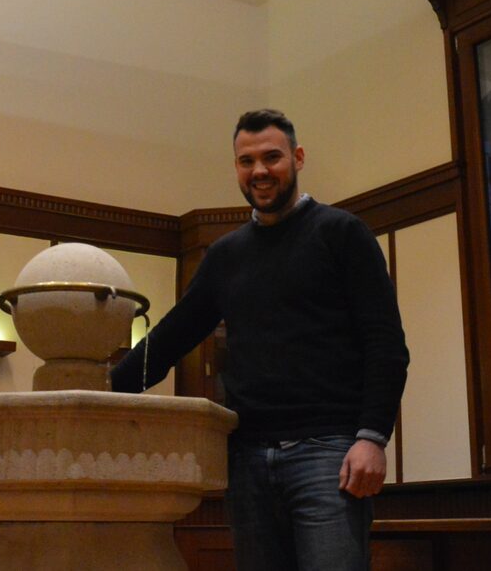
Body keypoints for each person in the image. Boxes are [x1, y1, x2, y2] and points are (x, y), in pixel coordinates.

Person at [111, 109, 408, 571]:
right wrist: (102, 391)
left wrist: (372, 437)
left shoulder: (341, 233)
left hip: (329, 454)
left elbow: (385, 343)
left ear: (298, 157)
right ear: (236, 168)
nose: (260, 171)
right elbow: (172, 337)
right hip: (246, 458)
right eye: (246, 161)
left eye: (272, 157)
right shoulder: (226, 255)